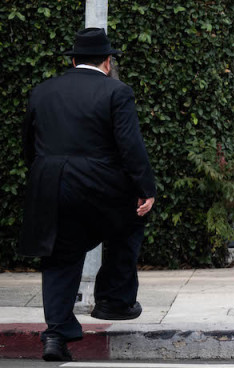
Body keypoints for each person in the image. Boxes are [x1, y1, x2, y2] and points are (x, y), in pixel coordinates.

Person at [19, 27, 156, 363]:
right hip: (99, 186)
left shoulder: (42, 91)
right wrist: (145, 189)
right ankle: (113, 299)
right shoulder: (117, 92)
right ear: (107, 62)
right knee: (130, 222)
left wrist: (44, 177)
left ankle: (55, 333)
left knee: (59, 256)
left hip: (49, 184)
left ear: (74, 59)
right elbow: (130, 148)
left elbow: (28, 146)